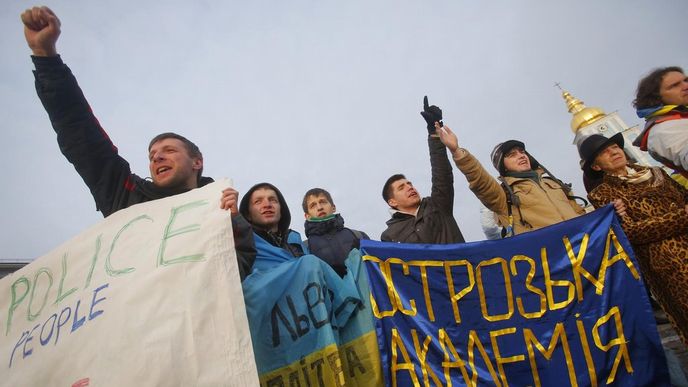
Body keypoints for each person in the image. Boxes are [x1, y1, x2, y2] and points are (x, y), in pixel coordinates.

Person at [21, 6, 254, 279]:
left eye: (169, 151)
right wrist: (46, 57)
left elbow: (239, 272)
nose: (156, 158)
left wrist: (234, 223)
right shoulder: (126, 196)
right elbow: (80, 133)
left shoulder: (220, 211)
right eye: (152, 154)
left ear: (197, 162)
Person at [580, 133, 688, 345]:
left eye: (614, 147)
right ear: (596, 167)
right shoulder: (603, 194)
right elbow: (632, 232)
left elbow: (683, 196)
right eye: (604, 152)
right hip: (668, 262)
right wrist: (682, 217)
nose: (613, 152)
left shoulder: (655, 172)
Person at [436, 123, 586, 236]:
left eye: (522, 152)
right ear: (503, 165)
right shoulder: (504, 195)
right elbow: (481, 181)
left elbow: (580, 213)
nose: (521, 156)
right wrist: (456, 151)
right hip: (550, 262)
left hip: (586, 249)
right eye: (511, 155)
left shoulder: (554, 183)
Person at [380, 97, 465, 244]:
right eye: (401, 187)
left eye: (409, 184)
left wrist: (434, 133)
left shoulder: (438, 205)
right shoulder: (389, 236)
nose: (410, 187)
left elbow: (441, 174)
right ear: (392, 202)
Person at [239, 183, 307, 272]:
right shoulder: (241, 242)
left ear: (281, 210)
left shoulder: (295, 239)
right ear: (248, 215)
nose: (267, 204)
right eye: (258, 201)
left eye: (273, 200)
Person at [633, 67, 688, 177]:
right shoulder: (662, 130)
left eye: (686, 80)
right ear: (657, 98)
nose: (686, 86)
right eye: (674, 85)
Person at [302, 188, 369, 276]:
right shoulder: (304, 249)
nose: (319, 207)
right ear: (307, 216)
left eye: (323, 202)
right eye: (313, 205)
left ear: (333, 207)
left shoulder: (359, 236)